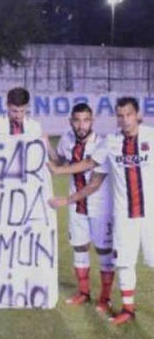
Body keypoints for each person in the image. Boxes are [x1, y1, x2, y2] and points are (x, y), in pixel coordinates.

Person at [48, 97, 152, 325]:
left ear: (138, 115)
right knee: (124, 261)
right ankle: (127, 308)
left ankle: (109, 300)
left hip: (148, 213)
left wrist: (60, 175)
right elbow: (88, 164)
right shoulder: (111, 142)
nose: (124, 120)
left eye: (129, 115)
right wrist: (59, 170)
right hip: (123, 212)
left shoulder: (151, 136)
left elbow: (94, 181)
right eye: (120, 115)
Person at [47, 103, 114, 312]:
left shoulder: (102, 144)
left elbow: (94, 184)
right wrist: (46, 142)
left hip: (99, 206)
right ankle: (83, 293)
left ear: (92, 121)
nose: (81, 125)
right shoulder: (67, 139)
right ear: (71, 121)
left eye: (86, 120)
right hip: (78, 208)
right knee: (79, 246)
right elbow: (59, 160)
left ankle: (105, 298)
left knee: (103, 250)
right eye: (77, 120)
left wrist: (66, 200)